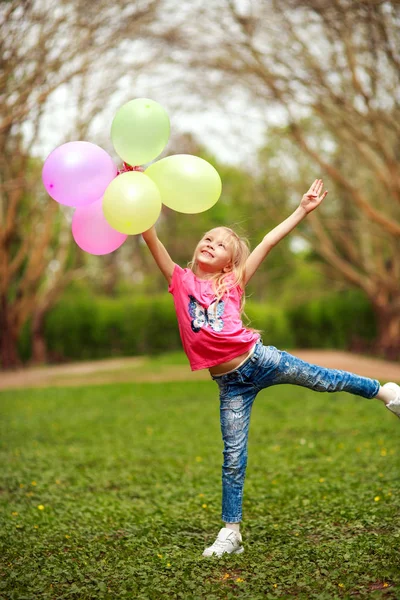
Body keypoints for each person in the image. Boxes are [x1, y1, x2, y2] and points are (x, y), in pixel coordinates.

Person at [141, 179, 400, 558]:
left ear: (230, 261)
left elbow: (267, 242)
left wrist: (302, 210)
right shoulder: (180, 281)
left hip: (260, 360)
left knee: (324, 380)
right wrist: (136, 193)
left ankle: (386, 392)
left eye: (219, 243)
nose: (209, 244)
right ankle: (232, 532)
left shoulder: (234, 280)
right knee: (233, 455)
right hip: (230, 384)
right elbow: (152, 240)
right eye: (207, 238)